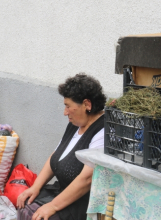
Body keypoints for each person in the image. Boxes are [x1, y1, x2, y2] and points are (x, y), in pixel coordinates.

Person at [17, 73, 106, 220]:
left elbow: (86, 179)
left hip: (82, 203)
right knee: (25, 204)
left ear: (87, 105)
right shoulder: (75, 124)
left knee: (42, 218)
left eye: (68, 106)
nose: (65, 113)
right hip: (60, 190)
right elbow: (56, 155)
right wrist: (35, 187)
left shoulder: (102, 131)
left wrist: (53, 206)